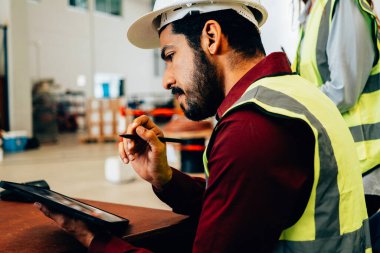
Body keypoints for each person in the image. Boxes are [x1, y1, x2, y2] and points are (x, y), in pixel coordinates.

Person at [36, 0, 372, 252]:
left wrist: (93, 238)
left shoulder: (253, 128)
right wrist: (164, 179)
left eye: (170, 56)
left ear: (211, 36)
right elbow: (239, 205)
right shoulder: (294, 94)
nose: (167, 79)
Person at [293, 0, 380, 216]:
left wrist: (292, 106)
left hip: (365, 167)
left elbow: (343, 89)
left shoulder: (343, 4)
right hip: (341, 164)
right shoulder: (313, 10)